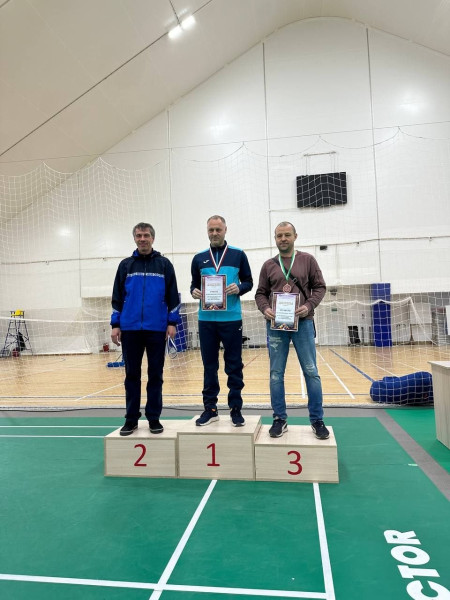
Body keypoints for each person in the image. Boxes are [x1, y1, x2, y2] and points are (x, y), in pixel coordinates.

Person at [255, 221, 329, 439]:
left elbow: (320, 287)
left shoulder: (308, 260)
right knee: (276, 374)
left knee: (311, 371)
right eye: (279, 235)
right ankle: (279, 419)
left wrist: (309, 305)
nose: (283, 239)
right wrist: (265, 308)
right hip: (276, 326)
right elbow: (260, 293)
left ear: (295, 236)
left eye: (287, 234)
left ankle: (317, 420)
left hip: (303, 323)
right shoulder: (268, 265)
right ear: (275, 239)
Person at [111, 222, 180, 436]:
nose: (142, 239)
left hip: (156, 329)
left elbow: (173, 296)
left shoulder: (164, 265)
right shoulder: (125, 265)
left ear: (153, 238)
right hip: (130, 329)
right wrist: (115, 324)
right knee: (131, 375)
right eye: (139, 235)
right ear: (134, 238)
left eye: (146, 235)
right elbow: (117, 297)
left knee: (155, 375)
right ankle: (131, 419)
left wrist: (172, 322)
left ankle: (154, 418)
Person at [190, 215, 253, 427]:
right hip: (206, 319)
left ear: (225, 230)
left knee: (234, 365)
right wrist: (194, 291)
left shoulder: (238, 254)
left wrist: (239, 288)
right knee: (209, 365)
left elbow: (249, 281)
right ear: (207, 231)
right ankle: (210, 409)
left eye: (218, 229)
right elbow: (193, 285)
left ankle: (235, 408)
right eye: (211, 230)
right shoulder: (198, 258)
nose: (215, 233)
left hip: (231, 319)